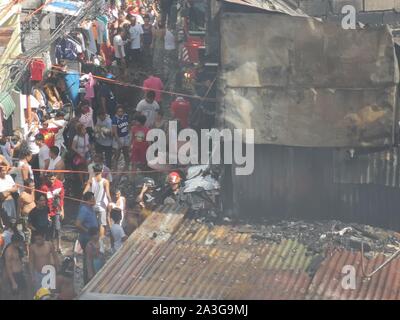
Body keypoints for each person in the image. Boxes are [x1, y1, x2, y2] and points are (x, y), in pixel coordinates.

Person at [83, 164, 111, 240]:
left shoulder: (91, 180)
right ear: (102, 171)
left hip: (92, 205)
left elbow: (84, 192)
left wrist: (87, 201)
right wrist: (110, 203)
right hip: (102, 206)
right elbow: (108, 194)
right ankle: (100, 242)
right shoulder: (105, 181)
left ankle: (92, 239)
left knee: (93, 223)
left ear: (94, 171)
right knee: (102, 224)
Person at [40, 172, 64, 253]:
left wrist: (62, 210)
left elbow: (61, 198)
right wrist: (46, 214)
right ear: (47, 178)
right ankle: (52, 246)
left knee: (58, 228)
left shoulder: (60, 184)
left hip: (57, 209)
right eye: (50, 179)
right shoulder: (44, 187)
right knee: (50, 230)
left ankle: (59, 246)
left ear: (56, 177)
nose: (52, 180)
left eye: (53, 178)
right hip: (48, 211)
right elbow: (43, 202)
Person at [3, 233, 27, 300]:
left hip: (20, 274)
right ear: (15, 242)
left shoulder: (17, 249)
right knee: (15, 296)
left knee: (22, 293)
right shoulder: (8, 252)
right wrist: (13, 282)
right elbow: (8, 268)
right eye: (20, 242)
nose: (21, 244)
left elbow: (19, 260)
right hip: (14, 275)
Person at [18, 179, 35, 249]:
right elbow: (19, 208)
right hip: (26, 217)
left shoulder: (32, 191)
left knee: (34, 233)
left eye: (33, 186)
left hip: (34, 216)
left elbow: (33, 200)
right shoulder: (22, 196)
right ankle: (27, 252)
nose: (33, 188)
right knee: (28, 234)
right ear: (26, 186)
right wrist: (19, 217)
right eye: (31, 186)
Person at [112, 106, 130, 171]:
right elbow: (115, 132)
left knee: (126, 154)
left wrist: (128, 136)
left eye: (121, 111)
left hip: (125, 137)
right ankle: (114, 170)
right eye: (119, 111)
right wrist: (119, 141)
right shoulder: (114, 119)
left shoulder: (126, 116)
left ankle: (126, 169)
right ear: (116, 112)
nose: (120, 113)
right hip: (118, 138)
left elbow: (128, 126)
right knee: (117, 155)